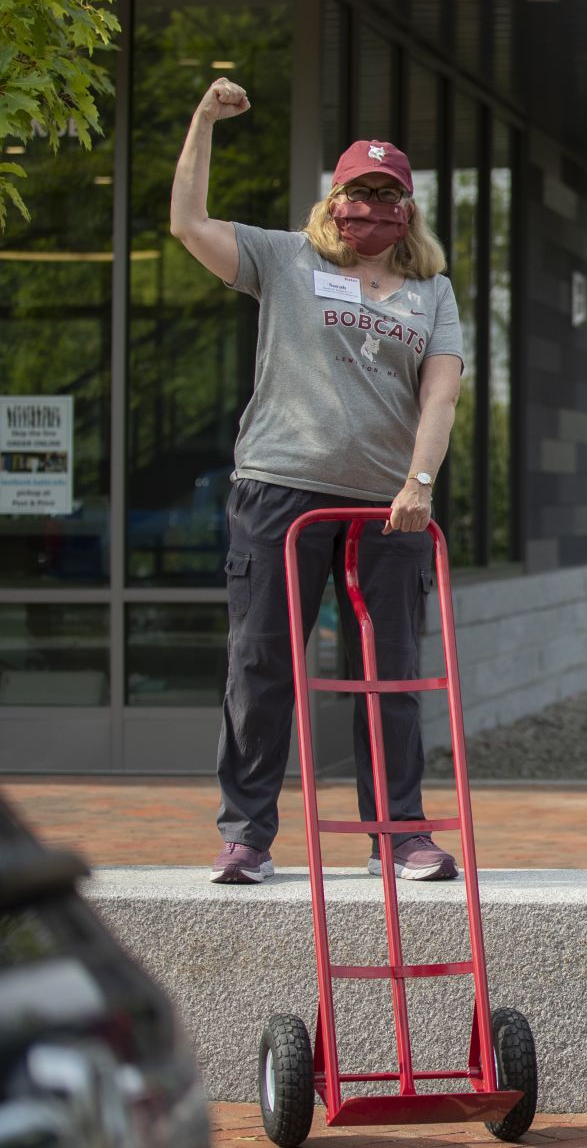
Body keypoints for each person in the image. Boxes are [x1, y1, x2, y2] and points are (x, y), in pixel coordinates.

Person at [171, 76, 466, 885]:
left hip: (387, 506)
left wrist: (420, 480)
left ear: (407, 210)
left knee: (390, 671)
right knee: (262, 662)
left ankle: (399, 832)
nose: (371, 205)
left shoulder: (430, 292)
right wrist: (203, 120)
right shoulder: (284, 258)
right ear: (334, 200)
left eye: (387, 194)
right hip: (281, 487)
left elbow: (440, 392)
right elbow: (188, 223)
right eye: (358, 191)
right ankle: (246, 835)